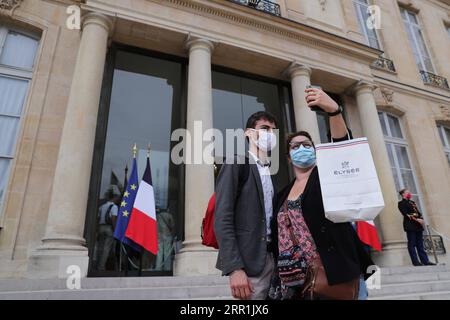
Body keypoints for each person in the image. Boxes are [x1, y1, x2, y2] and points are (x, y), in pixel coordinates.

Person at [271, 87, 374, 300]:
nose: (302, 148)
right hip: (292, 284)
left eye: (307, 145)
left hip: (330, 278)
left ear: (315, 150)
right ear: (289, 157)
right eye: (295, 146)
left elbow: (342, 148)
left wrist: (334, 111)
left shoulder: (326, 177)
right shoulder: (281, 194)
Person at [214, 111, 278, 300]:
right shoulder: (236, 162)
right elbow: (222, 217)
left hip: (273, 261)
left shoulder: (271, 172)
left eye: (273, 130)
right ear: (248, 133)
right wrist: (234, 268)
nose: (270, 134)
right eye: (264, 128)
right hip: (249, 264)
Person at [398, 189, 435, 266]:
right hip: (410, 225)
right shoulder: (401, 203)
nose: (409, 193)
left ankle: (425, 261)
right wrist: (417, 219)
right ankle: (416, 262)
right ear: (403, 194)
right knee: (412, 244)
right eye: (407, 192)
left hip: (418, 226)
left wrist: (421, 219)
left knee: (420, 244)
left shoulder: (412, 202)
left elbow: (418, 213)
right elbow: (406, 214)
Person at [96, 188, 120, 271]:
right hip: (109, 228)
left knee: (100, 247)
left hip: (101, 227)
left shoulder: (102, 206)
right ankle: (101, 267)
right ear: (114, 198)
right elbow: (113, 219)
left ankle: (97, 263)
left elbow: (98, 218)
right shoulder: (114, 207)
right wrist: (115, 229)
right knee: (107, 248)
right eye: (117, 198)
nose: (118, 199)